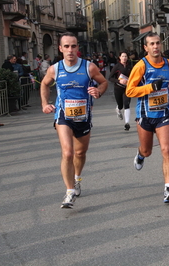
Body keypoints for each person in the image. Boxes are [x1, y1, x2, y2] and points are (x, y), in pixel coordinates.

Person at [40, 32, 108, 208]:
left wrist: (98, 91)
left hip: (83, 117)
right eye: (67, 46)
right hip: (63, 116)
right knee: (68, 153)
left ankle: (77, 178)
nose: (70, 50)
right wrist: (44, 103)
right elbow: (44, 84)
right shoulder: (55, 69)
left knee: (80, 153)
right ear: (60, 48)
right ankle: (69, 192)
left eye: (73, 46)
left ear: (78, 48)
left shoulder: (89, 67)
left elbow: (103, 82)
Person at [125, 32, 169, 203]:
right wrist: (150, 87)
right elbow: (130, 91)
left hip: (163, 113)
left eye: (158, 43)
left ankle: (168, 188)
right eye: (151, 44)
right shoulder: (141, 66)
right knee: (147, 150)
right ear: (146, 47)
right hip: (145, 114)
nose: (155, 46)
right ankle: (140, 154)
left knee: (166, 149)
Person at [108, 51, 133, 131]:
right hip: (118, 88)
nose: (124, 58)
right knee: (121, 105)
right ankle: (118, 109)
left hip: (127, 88)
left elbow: (134, 76)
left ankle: (127, 123)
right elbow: (110, 78)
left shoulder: (130, 66)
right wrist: (119, 81)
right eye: (123, 56)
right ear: (119, 57)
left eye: (126, 56)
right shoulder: (117, 67)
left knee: (127, 104)